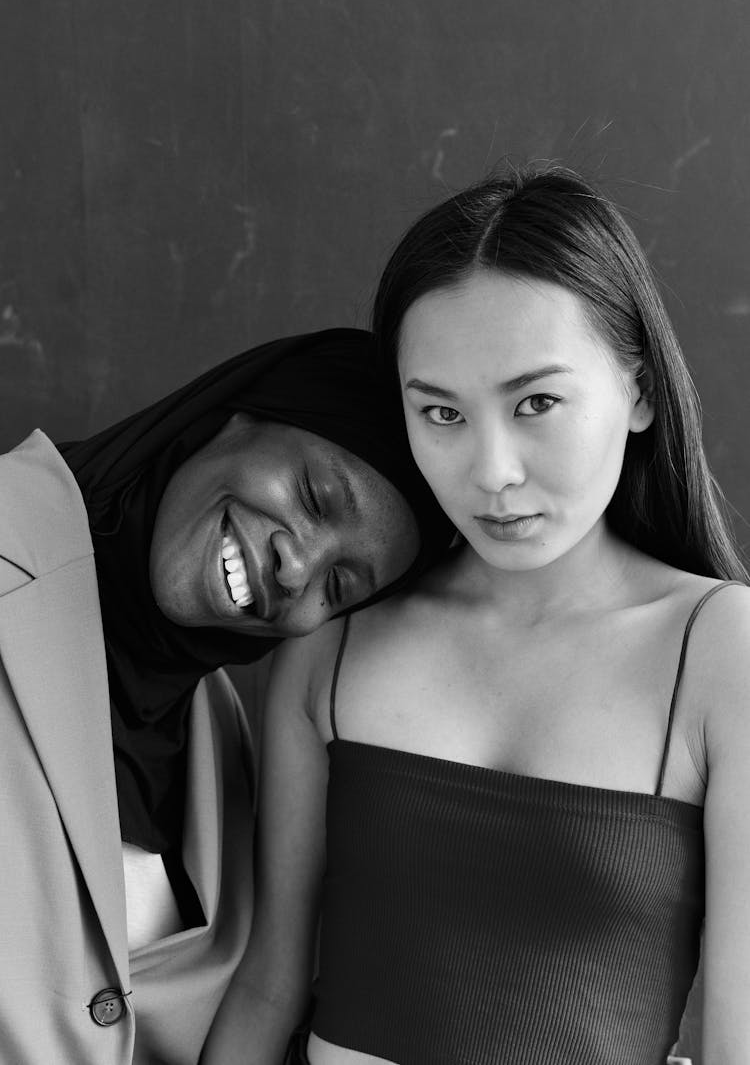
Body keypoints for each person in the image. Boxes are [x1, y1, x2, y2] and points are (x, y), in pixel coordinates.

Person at [215, 169, 750, 1065]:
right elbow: (270, 984)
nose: (491, 469)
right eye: (441, 412)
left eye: (536, 402)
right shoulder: (335, 638)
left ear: (642, 393)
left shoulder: (719, 650)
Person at [0, 326, 451, 1065]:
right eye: (314, 494)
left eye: (340, 587)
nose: (299, 564)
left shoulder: (227, 755)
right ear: (236, 414)